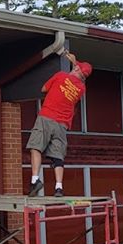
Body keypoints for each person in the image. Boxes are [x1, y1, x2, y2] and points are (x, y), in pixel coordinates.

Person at [26, 51, 92, 197]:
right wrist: (76, 63)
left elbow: (43, 89)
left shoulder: (60, 75)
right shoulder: (82, 89)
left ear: (75, 69)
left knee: (35, 147)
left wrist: (74, 63)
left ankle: (35, 180)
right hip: (62, 125)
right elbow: (80, 74)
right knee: (57, 156)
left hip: (47, 117)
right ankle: (58, 188)